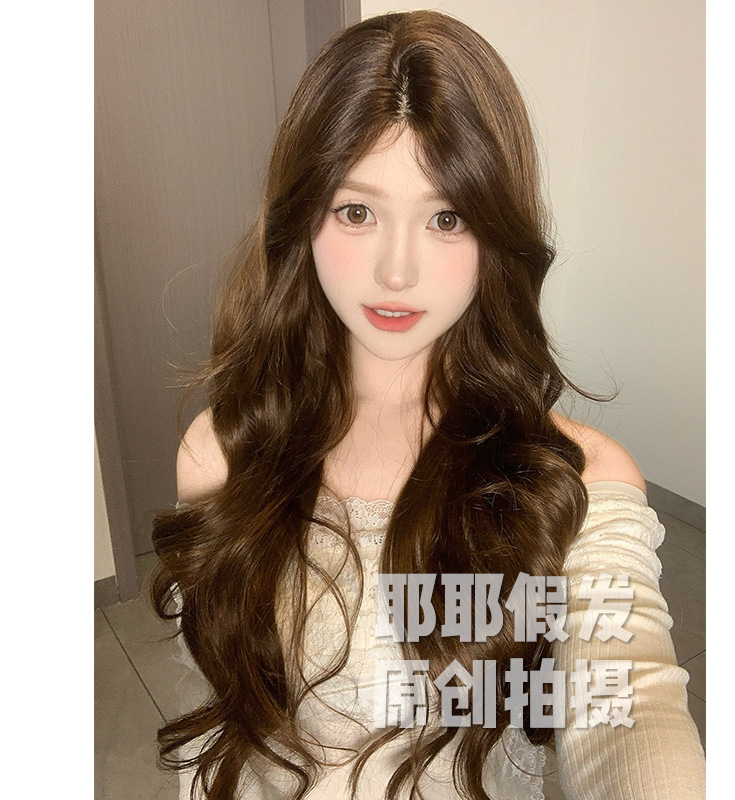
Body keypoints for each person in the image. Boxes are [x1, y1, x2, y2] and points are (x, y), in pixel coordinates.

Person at [151, 10, 705, 800]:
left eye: (447, 218)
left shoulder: (577, 479)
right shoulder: (223, 452)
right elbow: (217, 722)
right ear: (302, 217)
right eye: (356, 211)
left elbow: (631, 710)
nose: (397, 272)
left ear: (496, 232)